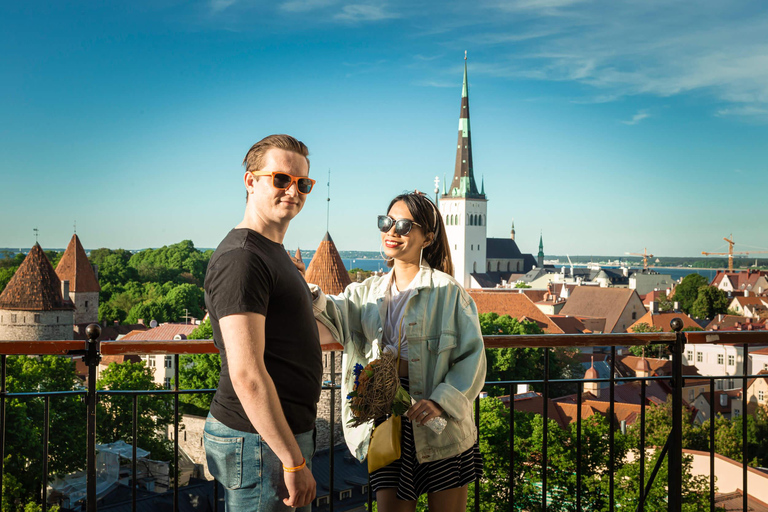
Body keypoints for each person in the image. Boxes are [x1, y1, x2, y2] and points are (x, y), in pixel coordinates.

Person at [313, 192, 487, 512]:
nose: (392, 231)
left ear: (428, 238)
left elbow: (472, 359)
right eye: (387, 222)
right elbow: (329, 313)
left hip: (440, 424)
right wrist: (303, 289)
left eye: (404, 225)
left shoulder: (448, 293)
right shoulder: (365, 293)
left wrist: (441, 402)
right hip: (386, 420)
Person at [203, 134, 321, 511]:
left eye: (303, 183)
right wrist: (293, 460)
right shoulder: (243, 259)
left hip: (273, 436)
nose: (294, 191)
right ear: (250, 181)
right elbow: (247, 375)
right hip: (261, 441)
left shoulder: (273, 253)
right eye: (281, 179)